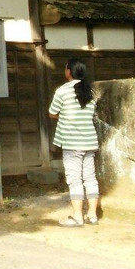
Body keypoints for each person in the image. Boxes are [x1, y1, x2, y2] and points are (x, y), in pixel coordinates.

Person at [48, 59, 100, 227]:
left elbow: (52, 113)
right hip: (90, 141)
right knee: (90, 178)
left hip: (72, 143)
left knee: (74, 180)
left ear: (68, 71)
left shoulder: (62, 91)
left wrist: (62, 116)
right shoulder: (90, 90)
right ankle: (92, 215)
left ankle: (77, 217)